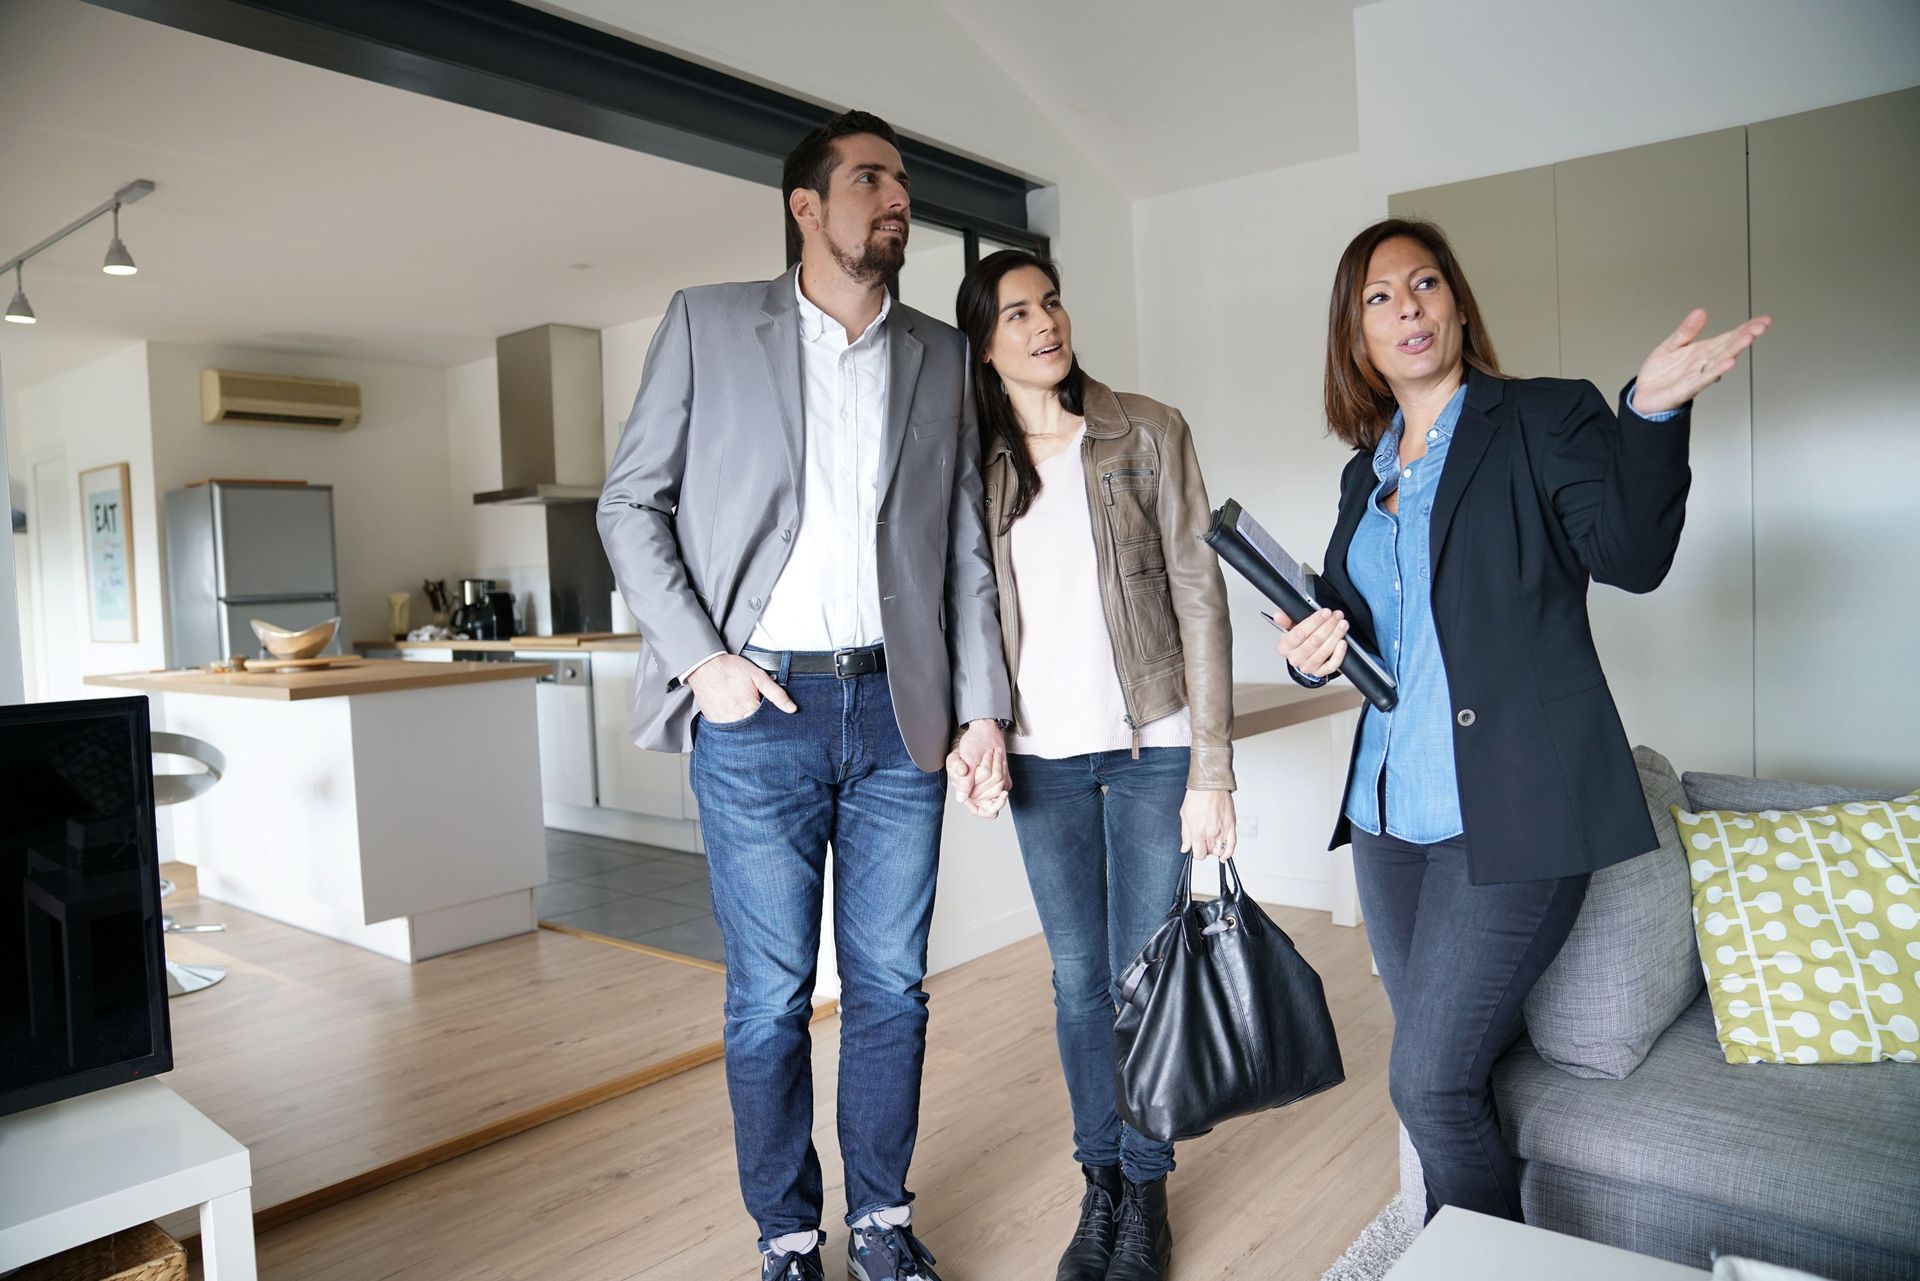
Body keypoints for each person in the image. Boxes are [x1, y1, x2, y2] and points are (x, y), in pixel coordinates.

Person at [1273, 217, 1769, 1222]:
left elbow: (1631, 556)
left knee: (1425, 1084)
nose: (1408, 309)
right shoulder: (1366, 471)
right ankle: (1459, 1238)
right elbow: (1367, 629)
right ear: (1355, 335)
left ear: (1458, 302)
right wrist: (1310, 644)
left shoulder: (1542, 417)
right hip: (1386, 817)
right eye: (1379, 298)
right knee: (1451, 1069)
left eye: (1425, 284)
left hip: (1510, 807)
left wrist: (1652, 415)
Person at [597, 109, 1012, 1281]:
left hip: (898, 716)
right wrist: (704, 663)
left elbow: (963, 548)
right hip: (759, 714)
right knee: (770, 1000)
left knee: (891, 989)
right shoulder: (708, 323)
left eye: (902, 182)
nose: (898, 199)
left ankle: (881, 1221)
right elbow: (629, 504)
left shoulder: (941, 354)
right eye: (871, 179)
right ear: (806, 206)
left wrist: (981, 707)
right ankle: (786, 1237)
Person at [953, 249, 1236, 1281]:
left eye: (1052, 304)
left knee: (1142, 975)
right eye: (1017, 314)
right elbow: (960, 608)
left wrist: (1213, 766)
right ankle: (1101, 1185)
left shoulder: (1146, 431)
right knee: (1078, 982)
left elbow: (1200, 593)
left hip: (1151, 747)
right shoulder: (975, 461)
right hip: (1042, 759)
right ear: (985, 346)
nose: (1045, 324)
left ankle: (1147, 1193)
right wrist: (972, 729)